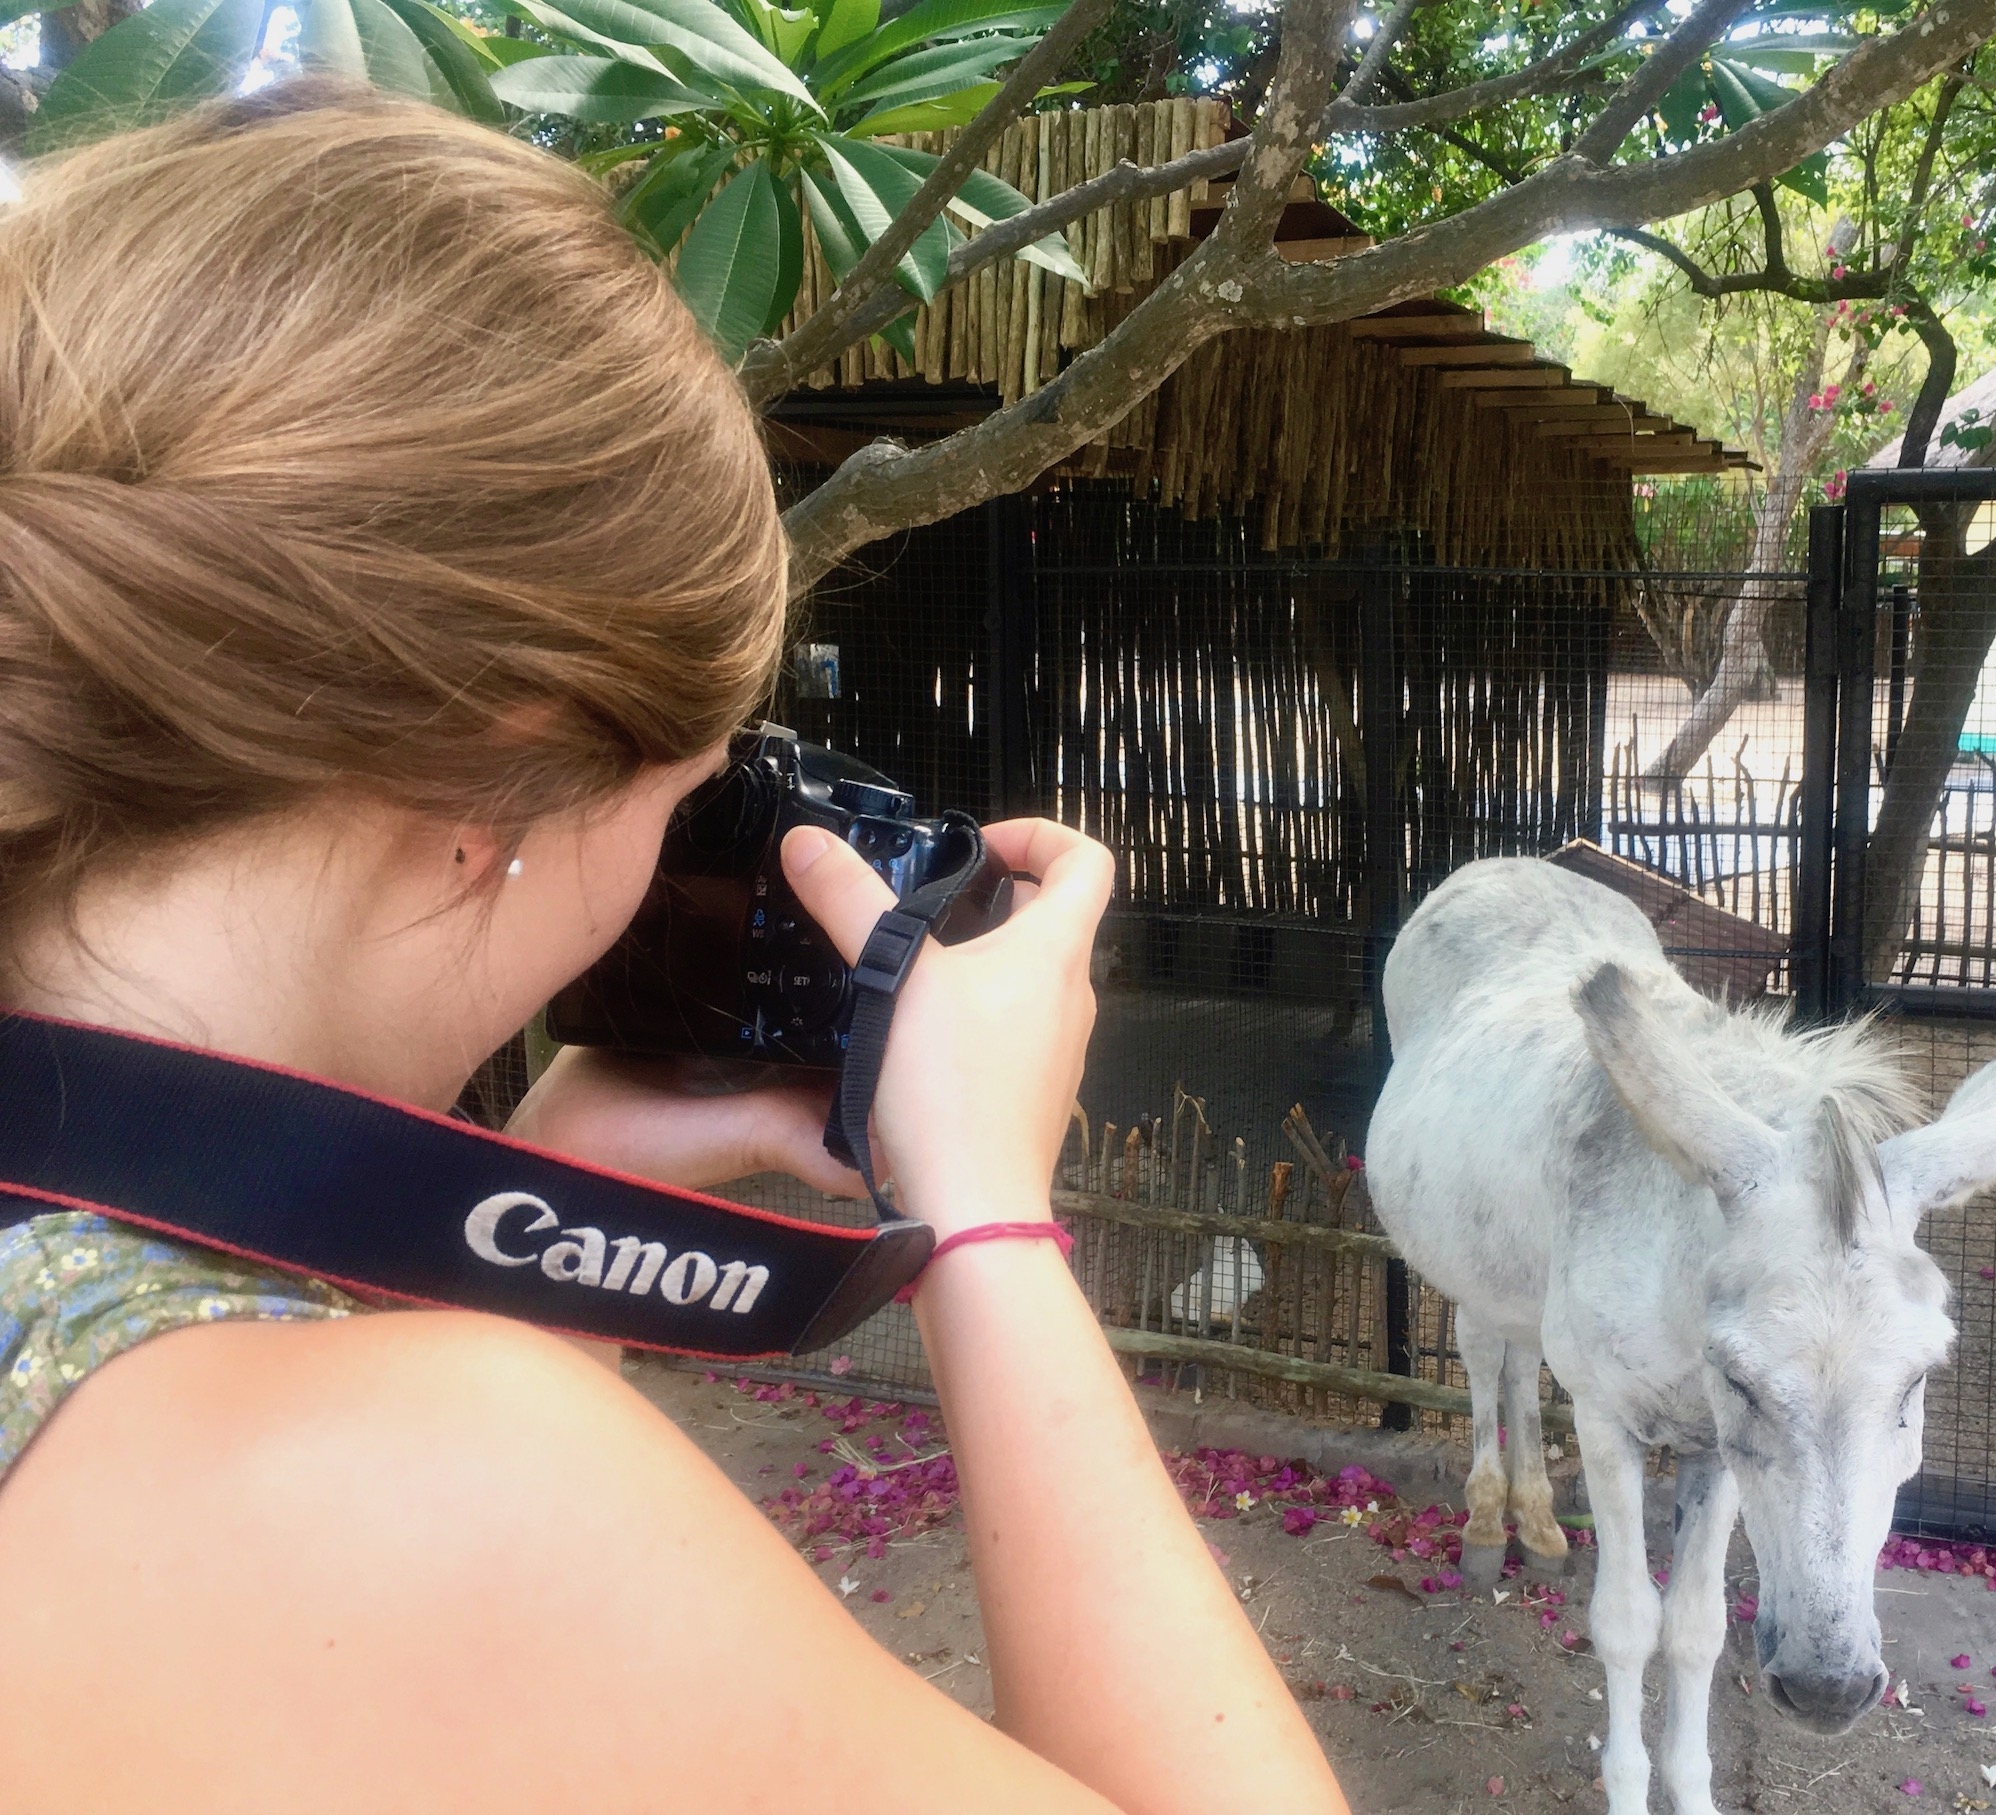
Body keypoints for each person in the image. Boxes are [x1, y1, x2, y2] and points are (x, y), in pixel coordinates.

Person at [0, 81, 1348, 1815]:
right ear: (509, 761)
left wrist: (543, 1188)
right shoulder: (391, 1494)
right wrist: (989, 1216)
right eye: (688, 799)